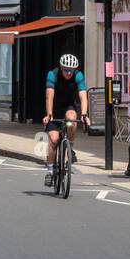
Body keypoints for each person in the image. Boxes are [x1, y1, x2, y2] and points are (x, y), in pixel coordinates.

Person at [42, 53, 89, 188]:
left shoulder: (78, 76)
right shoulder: (53, 75)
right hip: (54, 108)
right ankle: (50, 171)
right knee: (54, 139)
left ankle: (70, 148)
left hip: (68, 106)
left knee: (72, 119)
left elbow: (83, 97)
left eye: (71, 70)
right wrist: (49, 114)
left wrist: (84, 115)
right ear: (61, 68)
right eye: (66, 70)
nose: (69, 73)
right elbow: (49, 97)